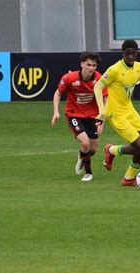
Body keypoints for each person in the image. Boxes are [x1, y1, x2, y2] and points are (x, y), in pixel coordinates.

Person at [93, 39, 140, 186]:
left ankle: (128, 178)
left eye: (133, 53)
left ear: (137, 53)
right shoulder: (114, 70)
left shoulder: (139, 68)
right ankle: (112, 150)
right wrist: (102, 111)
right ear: (122, 54)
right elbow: (97, 87)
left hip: (130, 110)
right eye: (127, 53)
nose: (130, 56)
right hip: (116, 114)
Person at [51, 52, 108, 182]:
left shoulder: (99, 79)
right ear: (82, 64)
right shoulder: (70, 78)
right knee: (85, 142)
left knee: (92, 149)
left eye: (94, 65)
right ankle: (88, 173)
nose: (91, 68)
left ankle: (82, 156)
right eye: (88, 64)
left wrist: (102, 120)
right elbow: (58, 93)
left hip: (92, 116)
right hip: (74, 114)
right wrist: (56, 111)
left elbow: (105, 98)